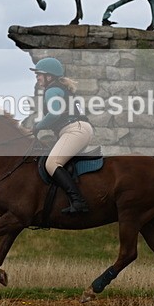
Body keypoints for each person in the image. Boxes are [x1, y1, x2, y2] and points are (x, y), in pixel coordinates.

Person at [30, 57, 93, 214]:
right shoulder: (62, 90)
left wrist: (37, 126)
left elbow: (55, 113)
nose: (37, 77)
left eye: (39, 74)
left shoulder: (52, 90)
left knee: (52, 164)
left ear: (49, 76)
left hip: (73, 130)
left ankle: (78, 202)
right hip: (79, 129)